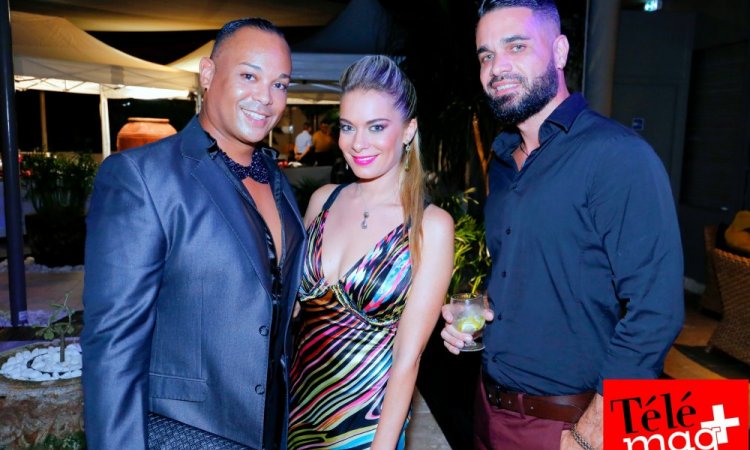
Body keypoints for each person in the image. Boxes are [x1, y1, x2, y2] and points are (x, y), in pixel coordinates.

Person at [440, 1, 685, 449]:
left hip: (571, 423)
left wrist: (597, 427)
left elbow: (656, 309)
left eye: (516, 46)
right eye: (486, 55)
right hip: (488, 409)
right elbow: (532, 278)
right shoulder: (503, 164)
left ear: (559, 51)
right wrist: (476, 316)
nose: (497, 67)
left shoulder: (616, 155)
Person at [81, 18, 307, 450]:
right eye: (249, 76)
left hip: (271, 427)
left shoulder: (276, 179)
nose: (266, 97)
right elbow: (113, 345)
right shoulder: (141, 175)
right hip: (183, 431)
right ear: (207, 74)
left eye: (280, 84)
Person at [287, 55, 454, 450]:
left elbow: (407, 361)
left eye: (376, 127)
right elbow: (288, 315)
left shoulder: (430, 226)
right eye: (348, 127)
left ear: (409, 130)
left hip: (365, 432)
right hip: (293, 419)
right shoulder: (322, 201)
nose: (358, 143)